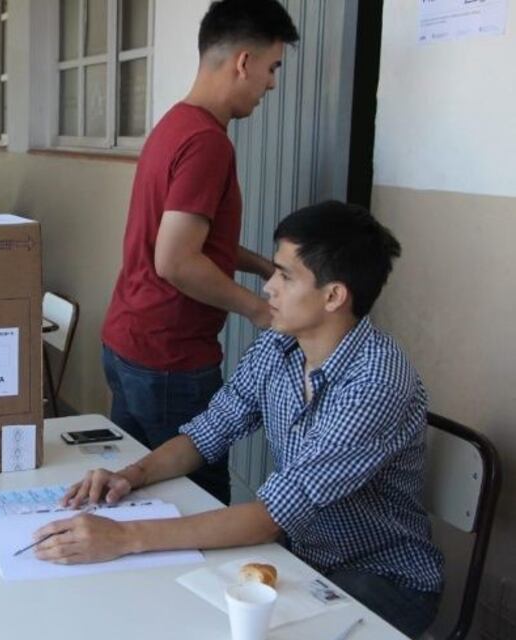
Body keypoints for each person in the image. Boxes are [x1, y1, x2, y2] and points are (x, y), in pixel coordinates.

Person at [37, 202, 444, 639]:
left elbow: (272, 516)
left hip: (380, 576)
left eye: (286, 276)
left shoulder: (375, 381)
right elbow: (210, 431)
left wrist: (123, 537)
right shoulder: (280, 345)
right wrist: (130, 476)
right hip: (303, 556)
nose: (268, 287)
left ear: (333, 296)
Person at [100, 0, 299, 505]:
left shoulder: (174, 125)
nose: (272, 84)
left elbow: (193, 243)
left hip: (129, 341)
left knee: (136, 494)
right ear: (243, 62)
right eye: (272, 68)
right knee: (197, 504)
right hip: (169, 358)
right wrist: (260, 310)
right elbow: (176, 261)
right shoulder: (209, 144)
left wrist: (261, 267)